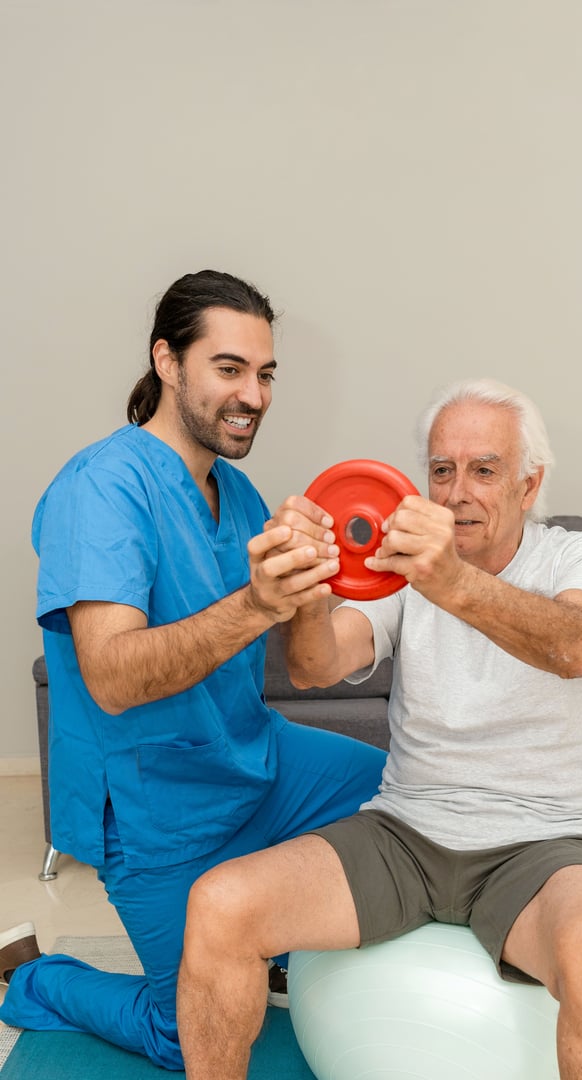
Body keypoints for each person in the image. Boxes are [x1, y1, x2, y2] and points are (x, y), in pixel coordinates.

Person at [175, 378, 582, 1080]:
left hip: (542, 841)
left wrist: (450, 583)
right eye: (442, 470)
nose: (458, 491)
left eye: (484, 470)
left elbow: (573, 646)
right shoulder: (402, 572)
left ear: (529, 485)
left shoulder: (578, 557)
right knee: (219, 904)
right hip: (406, 833)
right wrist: (310, 594)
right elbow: (315, 666)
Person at [0, 270, 386, 1069]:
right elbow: (110, 676)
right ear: (167, 362)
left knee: (413, 797)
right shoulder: (101, 488)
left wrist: (312, 583)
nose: (254, 393)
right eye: (229, 367)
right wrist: (258, 599)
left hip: (257, 761)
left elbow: (304, 657)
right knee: (197, 1033)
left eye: (266, 373)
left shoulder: (238, 495)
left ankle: (271, 944)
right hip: (155, 811)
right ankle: (33, 977)